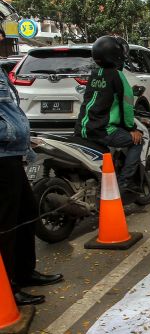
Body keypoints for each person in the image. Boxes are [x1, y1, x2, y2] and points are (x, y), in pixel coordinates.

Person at [1, 68, 63, 306]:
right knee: (6, 224)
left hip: (12, 153)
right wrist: (9, 133)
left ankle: (24, 272)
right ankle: (8, 288)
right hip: (2, 155)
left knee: (26, 212)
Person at [76, 36, 143, 191]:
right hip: (103, 130)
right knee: (138, 141)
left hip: (82, 128)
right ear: (116, 55)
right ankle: (125, 182)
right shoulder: (117, 75)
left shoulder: (94, 74)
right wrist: (132, 128)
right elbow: (126, 105)